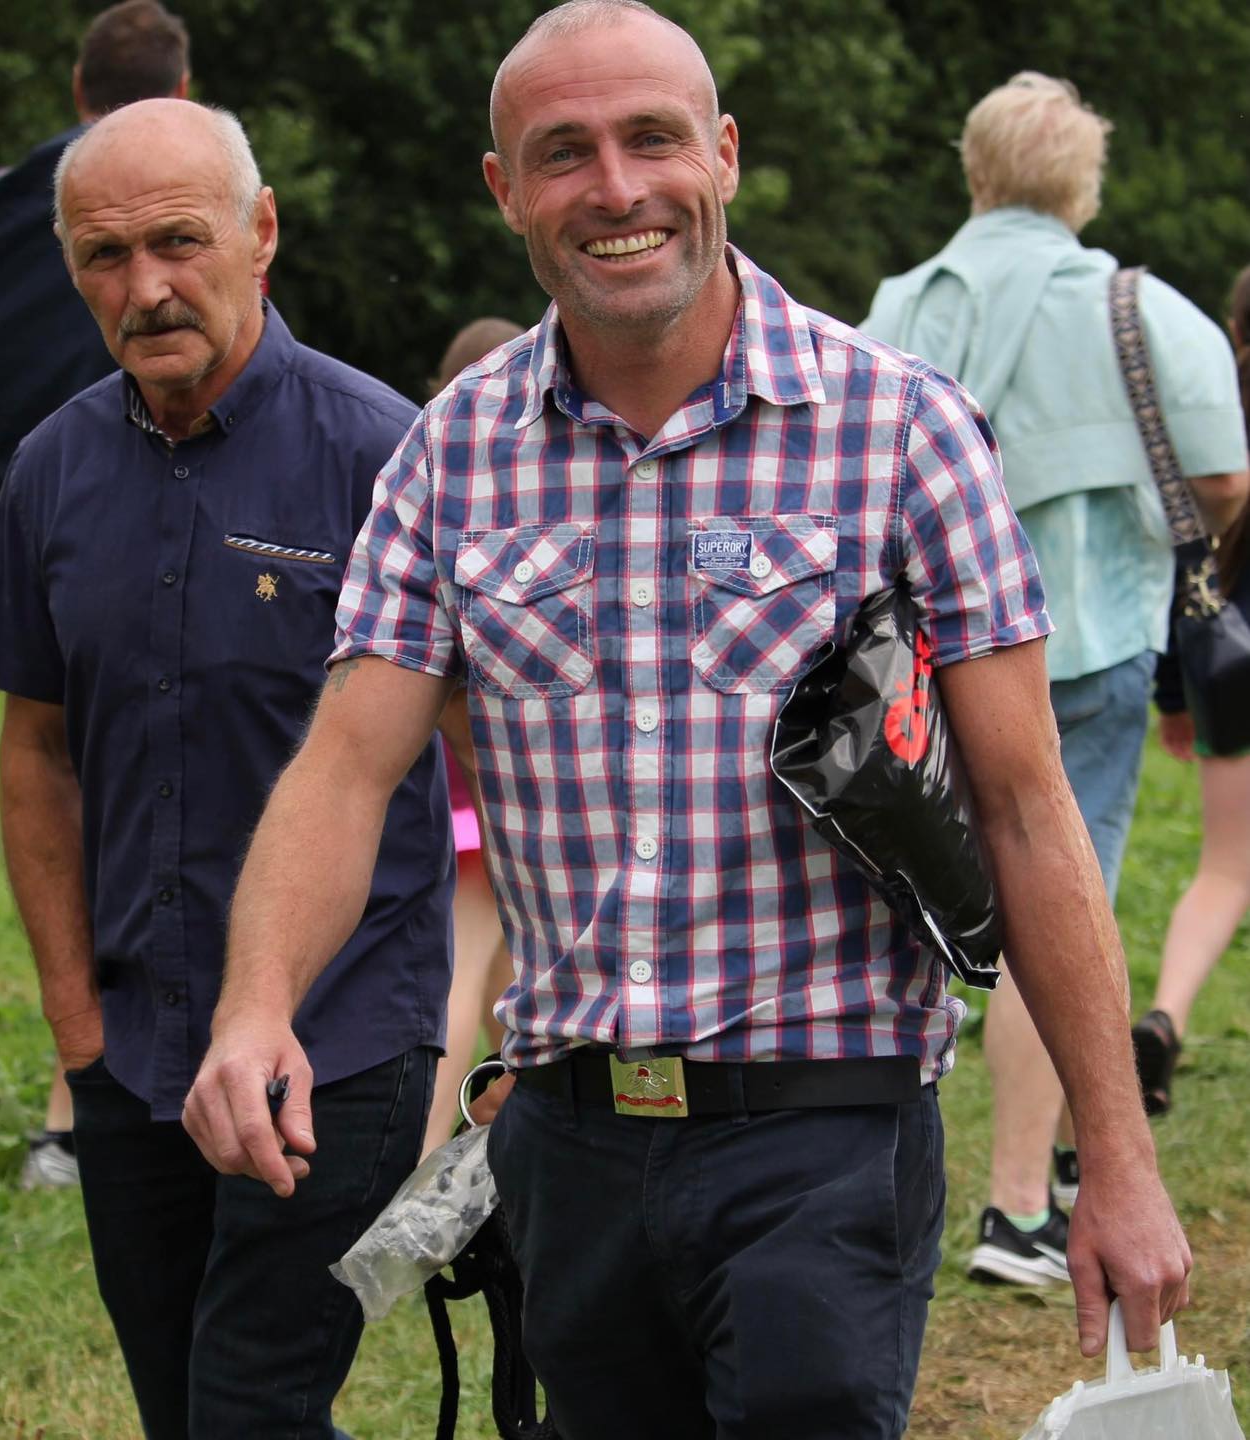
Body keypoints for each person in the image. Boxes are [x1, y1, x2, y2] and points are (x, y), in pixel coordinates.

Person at [183, 7, 1191, 1437]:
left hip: (823, 1128)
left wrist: (1120, 1159)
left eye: (652, 139)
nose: (616, 188)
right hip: (569, 1141)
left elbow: (1029, 809)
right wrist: (253, 1006)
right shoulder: (450, 454)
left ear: (721, 154)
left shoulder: (902, 430)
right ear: (506, 190)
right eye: (564, 154)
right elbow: (345, 768)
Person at [0, 99, 454, 1440]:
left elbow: (490, 753)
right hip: (133, 1051)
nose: (147, 289)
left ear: (261, 231)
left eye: (178, 241)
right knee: (184, 1410)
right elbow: (37, 753)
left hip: (340, 1039)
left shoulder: (385, 456)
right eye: (105, 257)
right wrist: (77, 1026)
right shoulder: (51, 471)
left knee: (248, 1405)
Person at [863, 72, 1247, 1287]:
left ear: (975, 169)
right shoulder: (1139, 307)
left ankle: (1045, 1165)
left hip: (915, 669)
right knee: (1058, 904)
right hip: (1084, 643)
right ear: (1083, 181)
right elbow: (1226, 476)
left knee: (936, 908)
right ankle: (1018, 1209)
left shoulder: (898, 304)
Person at [0, 0, 194, 1192]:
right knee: (115, 795)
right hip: (124, 522)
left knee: (90, 785)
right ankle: (86, 1097)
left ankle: (95, 1100)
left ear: (77, 89)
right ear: (183, 90)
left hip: (35, 536)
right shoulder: (186, 200)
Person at [1136, 265, 1250, 1114]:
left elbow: (1188, 570)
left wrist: (1174, 696)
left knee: (1224, 869)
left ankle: (1166, 1017)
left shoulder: (1216, 424)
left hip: (1229, 669)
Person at [422, 316, 525, 1156]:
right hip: (489, 785)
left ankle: (506, 1131)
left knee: (503, 973)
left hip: (451, 782)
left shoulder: (432, 479)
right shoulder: (527, 483)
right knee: (462, 971)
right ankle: (421, 1157)